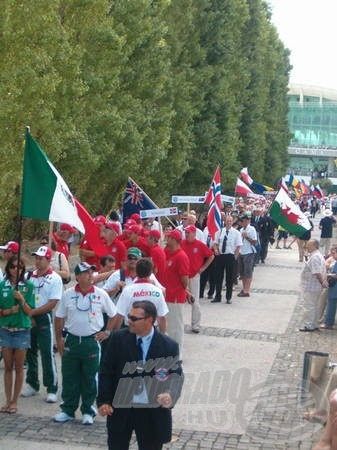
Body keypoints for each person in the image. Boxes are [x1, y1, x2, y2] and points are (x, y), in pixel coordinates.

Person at [97, 301, 183, 450]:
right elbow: (106, 372)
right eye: (129, 317)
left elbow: (175, 375)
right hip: (121, 408)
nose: (129, 321)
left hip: (151, 411)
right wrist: (104, 401)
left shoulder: (168, 346)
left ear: (150, 320)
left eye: (134, 318)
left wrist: (170, 394)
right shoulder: (118, 339)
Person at [53, 262, 117, 425]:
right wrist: (59, 339)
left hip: (91, 340)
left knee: (90, 378)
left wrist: (107, 332)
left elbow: (114, 314)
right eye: (86, 273)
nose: (90, 275)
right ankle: (68, 409)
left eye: (91, 272)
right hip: (72, 340)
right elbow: (59, 317)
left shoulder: (100, 294)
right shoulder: (68, 294)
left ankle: (88, 410)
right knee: (69, 377)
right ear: (78, 277)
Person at [21, 246, 63, 402]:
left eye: (40, 258)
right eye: (36, 258)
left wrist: (33, 313)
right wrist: (27, 313)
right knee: (29, 352)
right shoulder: (27, 276)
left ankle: (51, 387)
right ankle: (32, 383)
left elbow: (53, 303)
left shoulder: (55, 278)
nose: (37, 261)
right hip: (27, 317)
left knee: (46, 353)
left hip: (43, 318)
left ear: (48, 259)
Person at [0, 256, 35, 414]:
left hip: (22, 330)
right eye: (13, 267)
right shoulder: (2, 286)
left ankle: (15, 401)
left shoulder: (28, 286)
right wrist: (8, 311)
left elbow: (29, 312)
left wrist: (21, 300)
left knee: (19, 367)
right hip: (6, 329)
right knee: (8, 367)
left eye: (19, 267)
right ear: (8, 268)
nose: (16, 270)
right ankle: (7, 401)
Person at [114, 258, 168, 333]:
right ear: (150, 273)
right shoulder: (158, 292)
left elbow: (119, 315)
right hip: (151, 331)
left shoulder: (127, 290)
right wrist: (163, 337)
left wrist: (116, 337)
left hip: (131, 330)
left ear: (136, 271)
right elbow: (162, 317)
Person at [180, 225, 214, 332]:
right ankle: (179, 324)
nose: (186, 234)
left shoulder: (200, 245)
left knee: (195, 301)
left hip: (194, 276)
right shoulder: (181, 244)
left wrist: (203, 268)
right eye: (185, 232)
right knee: (180, 301)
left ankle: (195, 324)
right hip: (182, 276)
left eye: (188, 233)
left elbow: (211, 255)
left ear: (194, 234)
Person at [163, 229, 189, 351]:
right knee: (169, 327)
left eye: (169, 237)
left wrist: (183, 291)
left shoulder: (181, 256)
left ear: (174, 240)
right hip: (168, 296)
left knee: (176, 327)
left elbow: (184, 279)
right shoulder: (170, 253)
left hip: (176, 297)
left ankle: (177, 354)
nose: (166, 239)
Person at [299, 239, 328, 332]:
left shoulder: (315, 257)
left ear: (314, 246)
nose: (306, 247)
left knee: (309, 306)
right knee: (315, 305)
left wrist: (322, 282)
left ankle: (309, 325)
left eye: (308, 245)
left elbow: (316, 272)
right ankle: (314, 324)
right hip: (314, 286)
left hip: (312, 285)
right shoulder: (317, 255)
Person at [213, 216, 242, 304]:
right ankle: (217, 296)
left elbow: (238, 246)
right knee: (218, 277)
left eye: (230, 221)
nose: (228, 222)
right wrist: (216, 250)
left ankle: (228, 297)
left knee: (229, 278)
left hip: (230, 256)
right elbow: (215, 243)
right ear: (225, 221)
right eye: (227, 221)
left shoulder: (236, 233)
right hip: (221, 256)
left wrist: (235, 257)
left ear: (232, 222)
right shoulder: (220, 231)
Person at [237, 214, 257, 297]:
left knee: (248, 272)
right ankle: (244, 288)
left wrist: (247, 237)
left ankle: (247, 290)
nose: (243, 222)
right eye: (242, 221)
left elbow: (254, 242)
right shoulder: (241, 229)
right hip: (241, 252)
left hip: (249, 252)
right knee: (242, 272)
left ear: (248, 221)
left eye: (245, 221)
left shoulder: (251, 229)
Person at [321, 247, 337, 329]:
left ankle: (328, 323)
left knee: (331, 306)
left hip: (334, 288)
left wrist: (328, 275)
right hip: (333, 287)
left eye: (334, 253)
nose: (332, 255)